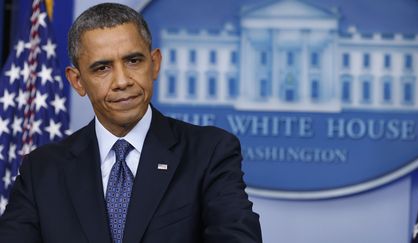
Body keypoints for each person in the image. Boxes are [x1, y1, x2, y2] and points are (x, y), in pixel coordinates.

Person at [0, 2, 262, 243]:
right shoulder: (41, 170)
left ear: (155, 64)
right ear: (77, 81)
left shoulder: (209, 151)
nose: (122, 81)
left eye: (133, 61)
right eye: (102, 68)